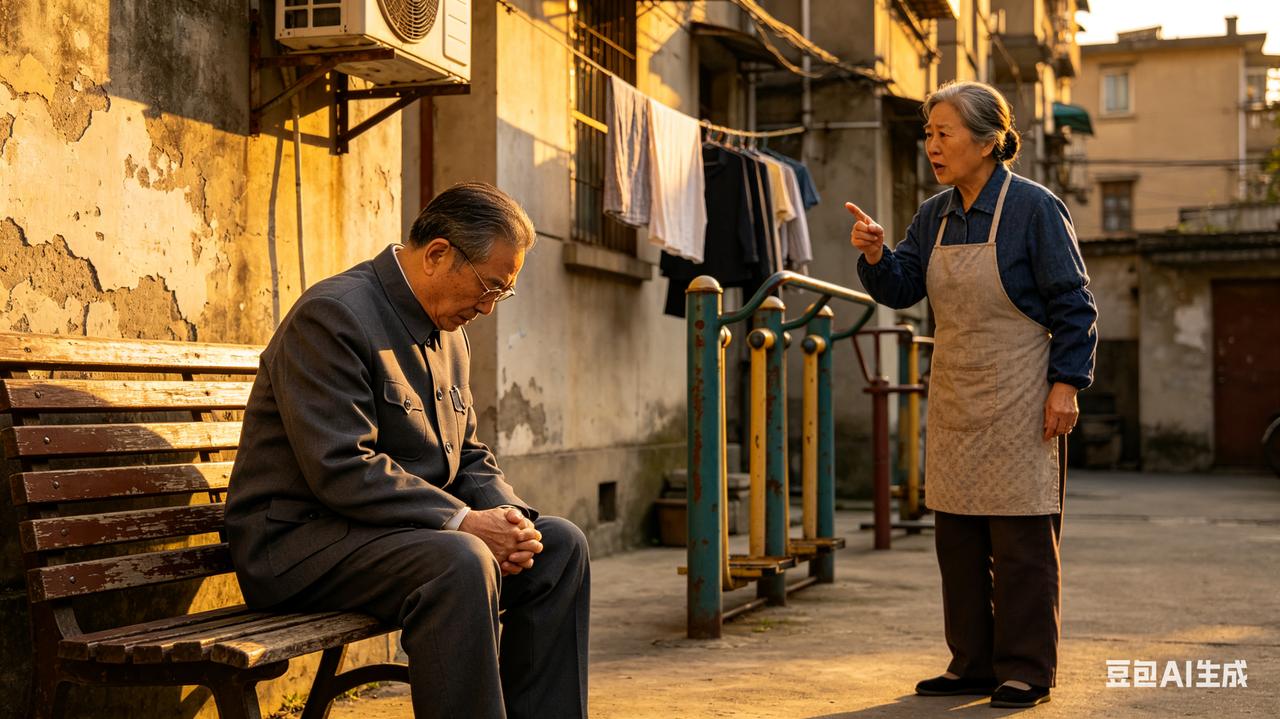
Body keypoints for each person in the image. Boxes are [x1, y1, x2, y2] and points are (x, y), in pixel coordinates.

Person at [226, 182, 590, 719]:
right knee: (461, 561)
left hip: (393, 537)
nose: (488, 308)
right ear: (438, 254)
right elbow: (342, 465)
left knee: (557, 546)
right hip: (298, 546)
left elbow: (466, 452)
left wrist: (512, 520)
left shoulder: (450, 332)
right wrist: (465, 522)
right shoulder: (333, 315)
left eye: (503, 293)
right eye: (489, 287)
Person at [846, 81, 1097, 709]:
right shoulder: (933, 215)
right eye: (928, 133)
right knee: (957, 539)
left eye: (944, 133)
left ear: (987, 141)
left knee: (1020, 543)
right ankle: (973, 664)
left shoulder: (1035, 209)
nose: (931, 145)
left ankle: (1026, 670)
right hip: (957, 392)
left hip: (1023, 395)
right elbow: (903, 287)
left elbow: (1074, 305)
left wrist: (1066, 385)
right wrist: (876, 255)